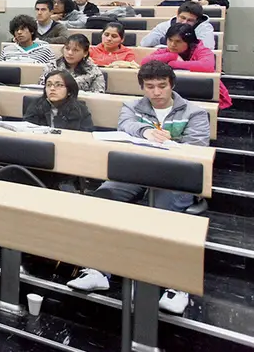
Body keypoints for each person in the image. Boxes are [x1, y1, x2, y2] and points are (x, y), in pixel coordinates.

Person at [67, 61, 210, 315]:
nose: (156, 92)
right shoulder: (132, 106)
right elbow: (126, 126)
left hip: (175, 176)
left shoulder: (195, 112)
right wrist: (146, 132)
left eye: (162, 86)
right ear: (142, 88)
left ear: (172, 85)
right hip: (136, 172)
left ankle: (176, 285)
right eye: (150, 87)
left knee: (165, 214)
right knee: (103, 199)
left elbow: (196, 148)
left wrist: (170, 145)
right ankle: (100, 270)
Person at [140, 23, 232, 110]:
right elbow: (144, 62)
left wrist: (173, 64)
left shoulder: (201, 49)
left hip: (210, 98)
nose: (172, 44)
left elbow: (207, 66)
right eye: (170, 40)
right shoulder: (168, 51)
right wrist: (173, 56)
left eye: (178, 41)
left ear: (189, 42)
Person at [24, 70, 94, 131]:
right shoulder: (37, 105)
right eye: (49, 85)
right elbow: (26, 130)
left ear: (69, 90)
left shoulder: (80, 110)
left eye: (59, 85)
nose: (52, 88)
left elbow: (86, 135)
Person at [39, 34, 106, 93]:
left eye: (75, 50)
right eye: (67, 49)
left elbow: (98, 95)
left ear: (85, 53)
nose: (70, 53)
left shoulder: (94, 72)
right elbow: (41, 89)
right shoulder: (52, 66)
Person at [140, 1, 216, 50]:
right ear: (177, 15)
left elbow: (207, 48)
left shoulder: (204, 28)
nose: (184, 22)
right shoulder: (165, 26)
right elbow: (145, 43)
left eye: (190, 20)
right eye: (182, 18)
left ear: (197, 21)